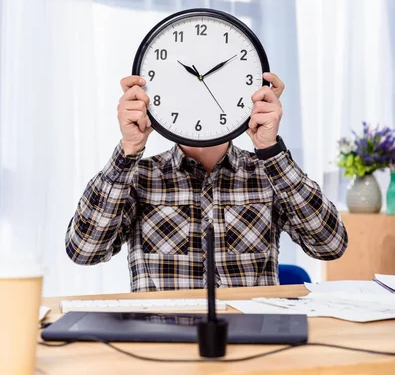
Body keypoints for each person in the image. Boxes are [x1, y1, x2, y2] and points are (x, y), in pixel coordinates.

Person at [66, 72, 347, 291]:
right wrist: (129, 150)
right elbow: (83, 250)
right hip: (164, 350)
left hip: (250, 348)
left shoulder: (268, 174)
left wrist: (271, 151)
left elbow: (330, 244)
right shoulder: (139, 177)